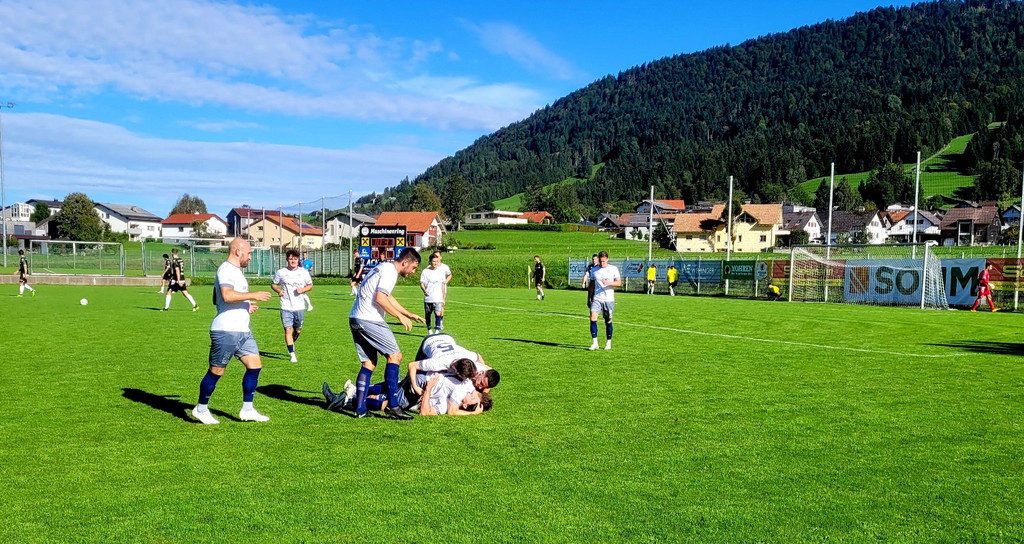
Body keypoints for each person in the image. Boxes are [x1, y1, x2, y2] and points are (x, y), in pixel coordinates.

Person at [190, 238, 273, 425]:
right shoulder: (226, 270)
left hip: (243, 330)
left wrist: (246, 305)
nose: (250, 257)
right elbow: (226, 296)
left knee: (255, 366)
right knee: (216, 371)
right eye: (249, 253)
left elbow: (217, 299)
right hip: (226, 330)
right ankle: (201, 409)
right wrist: (254, 295)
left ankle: (247, 409)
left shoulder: (235, 272)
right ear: (237, 251)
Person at [344, 247, 426, 420]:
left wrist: (408, 314)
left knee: (369, 363)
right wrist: (399, 317)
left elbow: (388, 297)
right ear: (405, 262)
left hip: (355, 318)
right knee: (395, 356)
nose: (413, 272)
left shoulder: (383, 267)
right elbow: (380, 299)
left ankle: (360, 409)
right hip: (369, 319)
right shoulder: (390, 271)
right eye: (413, 267)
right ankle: (393, 406)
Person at [272, 249, 313, 363]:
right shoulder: (281, 272)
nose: (293, 261)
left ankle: (292, 341)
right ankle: (292, 354)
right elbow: (273, 284)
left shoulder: (303, 272)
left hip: (299, 307)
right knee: (288, 330)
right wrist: (279, 291)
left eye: (295, 259)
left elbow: (310, 285)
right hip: (286, 306)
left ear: (298, 260)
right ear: (287, 259)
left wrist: (303, 290)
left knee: (298, 330)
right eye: (290, 259)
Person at [588, 251, 621, 351]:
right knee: (593, 318)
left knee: (608, 321)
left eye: (604, 261)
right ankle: (595, 343)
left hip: (608, 299)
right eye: (600, 261)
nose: (602, 263)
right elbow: (591, 284)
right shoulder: (594, 270)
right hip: (597, 298)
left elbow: (619, 283)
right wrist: (589, 297)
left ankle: (608, 342)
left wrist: (609, 283)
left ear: (607, 259)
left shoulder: (613, 269)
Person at [420, 251, 453, 334]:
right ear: (430, 261)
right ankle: (430, 331)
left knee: (438, 313)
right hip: (429, 297)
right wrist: (424, 291)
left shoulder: (441, 271)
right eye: (434, 261)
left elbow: (443, 285)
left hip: (438, 297)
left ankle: (437, 331)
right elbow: (422, 283)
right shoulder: (425, 271)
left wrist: (443, 297)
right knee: (428, 314)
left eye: (437, 261)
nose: (435, 263)